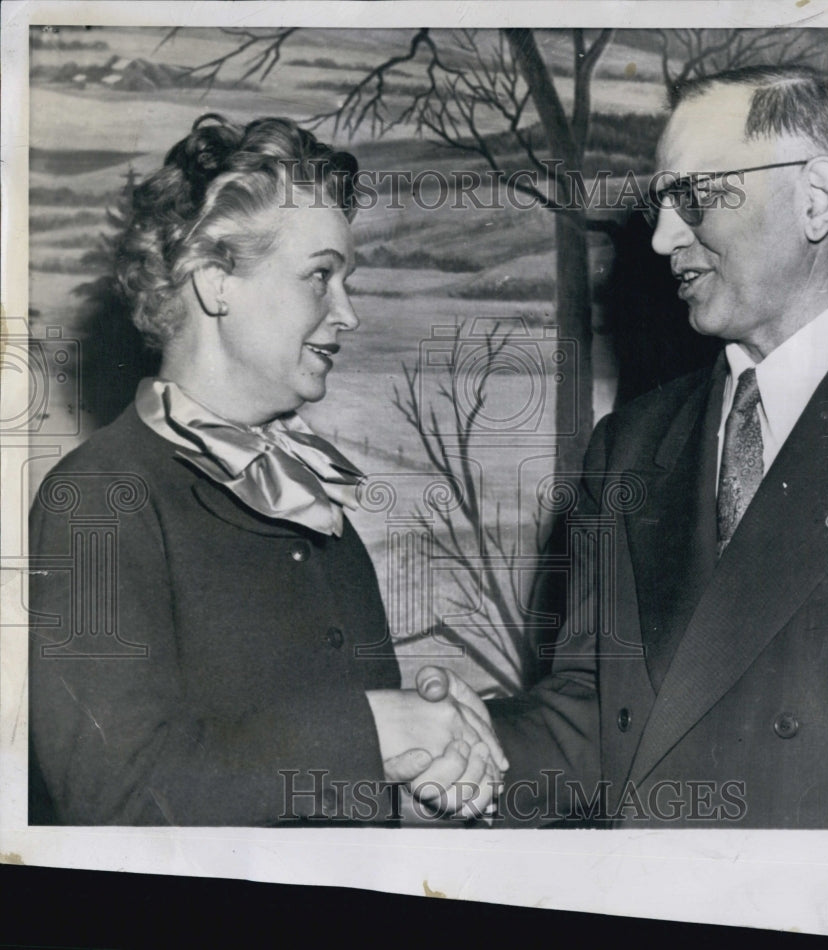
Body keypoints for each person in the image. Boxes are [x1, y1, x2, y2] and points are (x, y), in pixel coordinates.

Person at [479, 65, 828, 828]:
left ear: (814, 200)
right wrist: (447, 747)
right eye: (660, 203)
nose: (661, 238)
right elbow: (594, 724)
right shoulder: (629, 447)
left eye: (692, 196)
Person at [28, 114, 505, 826]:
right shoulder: (99, 498)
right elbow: (116, 800)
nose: (348, 314)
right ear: (216, 281)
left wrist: (425, 766)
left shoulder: (307, 489)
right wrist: (377, 732)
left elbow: (312, 775)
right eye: (320, 277)